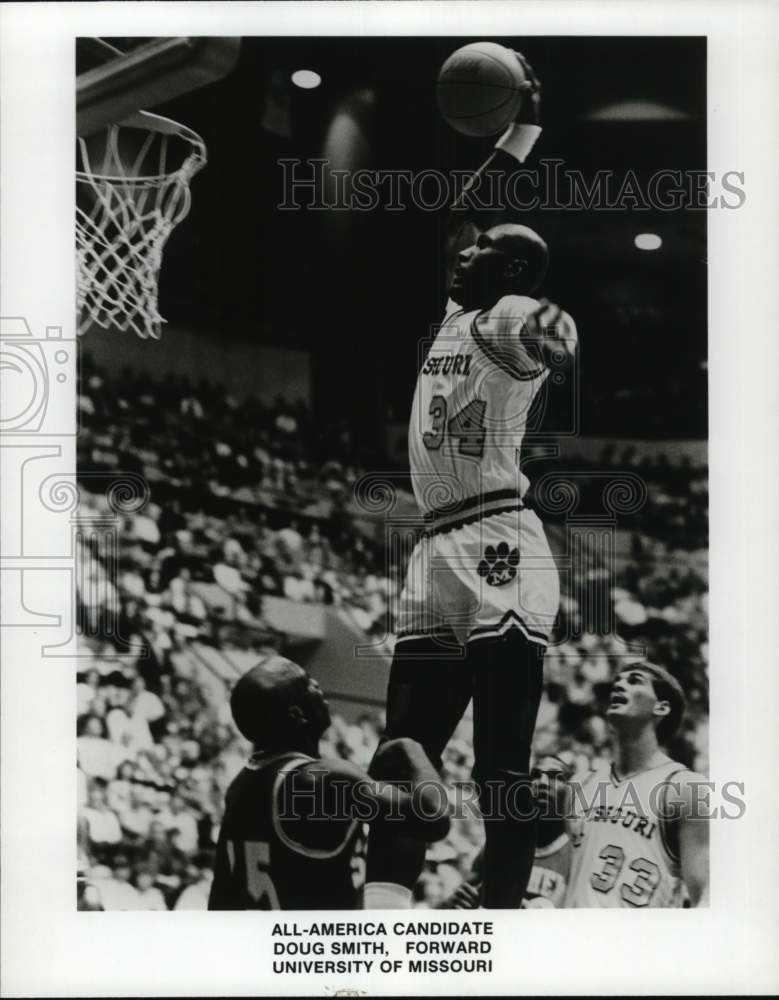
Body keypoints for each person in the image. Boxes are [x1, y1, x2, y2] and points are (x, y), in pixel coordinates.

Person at [365, 50, 577, 910]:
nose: (465, 249)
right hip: (435, 547)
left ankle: (500, 927)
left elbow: (551, 327)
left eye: (484, 249)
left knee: (500, 769)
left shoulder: (511, 318)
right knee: (399, 757)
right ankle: (379, 918)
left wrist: (551, 327)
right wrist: (524, 126)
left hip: (499, 543)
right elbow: (462, 206)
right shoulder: (458, 312)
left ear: (512, 272)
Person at [208, 656, 450, 910]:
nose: (317, 684)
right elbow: (434, 819)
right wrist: (411, 748)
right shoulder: (322, 779)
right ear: (297, 714)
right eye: (307, 682)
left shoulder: (239, 787)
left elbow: (220, 900)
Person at [564, 661, 709, 908]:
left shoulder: (684, 787)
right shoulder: (580, 784)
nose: (619, 684)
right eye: (618, 681)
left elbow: (705, 896)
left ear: (661, 707)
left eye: (634, 681)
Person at [439, 755, 573, 909]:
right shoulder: (499, 845)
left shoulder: (579, 853)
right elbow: (461, 898)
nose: (542, 782)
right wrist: (458, 902)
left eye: (555, 777)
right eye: (535, 775)